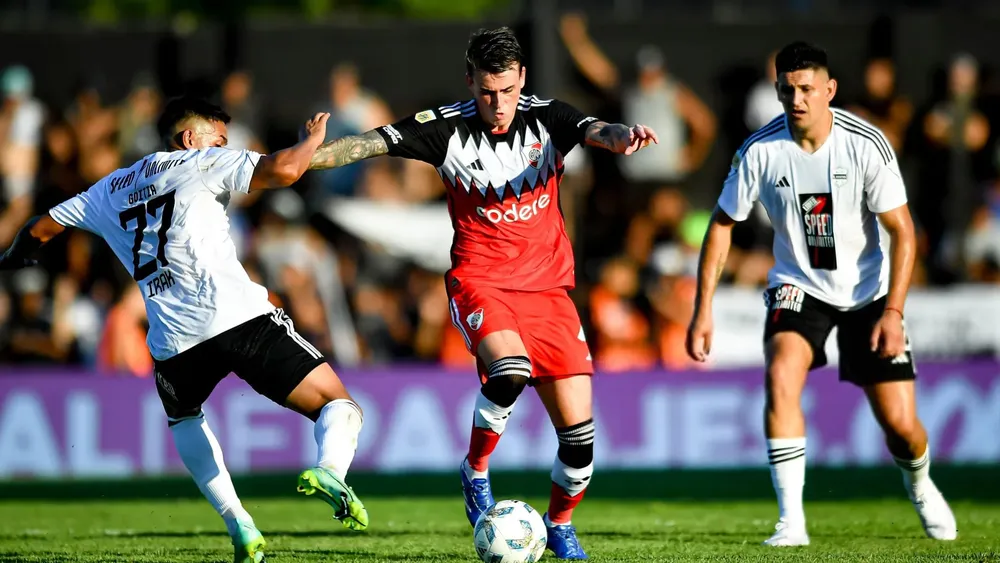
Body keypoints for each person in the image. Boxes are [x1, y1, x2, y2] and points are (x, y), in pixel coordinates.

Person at [306, 27, 657, 560]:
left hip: (549, 291)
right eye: (487, 92)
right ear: (470, 81)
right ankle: (475, 470)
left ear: (522, 79)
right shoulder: (446, 129)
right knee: (509, 372)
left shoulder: (548, 117)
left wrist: (622, 135)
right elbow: (367, 144)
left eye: (508, 91)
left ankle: (559, 524)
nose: (498, 105)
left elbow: (598, 130)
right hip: (482, 280)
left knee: (581, 441)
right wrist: (304, 157)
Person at [0, 96, 369, 563]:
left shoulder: (108, 188)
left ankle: (239, 524)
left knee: (184, 418)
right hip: (236, 316)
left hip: (173, 341)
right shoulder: (199, 162)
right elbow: (285, 171)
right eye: (218, 139)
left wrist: (16, 256)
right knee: (339, 405)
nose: (224, 147)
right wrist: (309, 140)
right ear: (190, 139)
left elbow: (43, 225)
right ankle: (331, 469)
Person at [685, 42, 957, 547]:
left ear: (829, 89)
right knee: (781, 372)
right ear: (777, 92)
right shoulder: (759, 150)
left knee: (901, 427)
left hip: (868, 293)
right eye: (787, 90)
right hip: (798, 287)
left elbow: (903, 230)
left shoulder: (865, 143)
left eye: (807, 88)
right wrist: (703, 309)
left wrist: (894, 311)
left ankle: (919, 483)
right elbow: (721, 226)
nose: (797, 99)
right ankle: (792, 522)